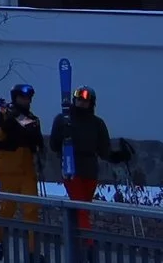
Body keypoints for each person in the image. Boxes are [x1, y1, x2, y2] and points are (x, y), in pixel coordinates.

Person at [48, 86, 133, 245]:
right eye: (79, 99)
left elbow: (104, 151)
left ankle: (75, 239)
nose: (81, 103)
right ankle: (88, 244)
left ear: (91, 103)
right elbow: (53, 145)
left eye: (85, 100)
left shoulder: (97, 123)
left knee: (83, 209)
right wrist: (62, 134)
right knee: (80, 208)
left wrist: (119, 156)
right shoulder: (62, 119)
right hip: (71, 168)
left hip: (90, 170)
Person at [0, 84, 44, 263]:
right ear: (15, 98)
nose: (26, 101)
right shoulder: (1, 116)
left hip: (27, 169)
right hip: (7, 169)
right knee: (7, 208)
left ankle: (33, 251)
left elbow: (38, 144)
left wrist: (33, 132)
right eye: (22, 97)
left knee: (31, 209)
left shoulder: (32, 119)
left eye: (28, 98)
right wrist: (9, 123)